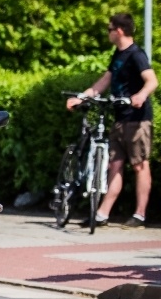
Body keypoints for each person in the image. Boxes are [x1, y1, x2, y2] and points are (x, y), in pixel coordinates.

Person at [66, 13, 158, 229]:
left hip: (137, 120)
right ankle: (101, 214)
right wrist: (81, 97)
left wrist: (141, 95)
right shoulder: (118, 54)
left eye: (109, 29)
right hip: (119, 119)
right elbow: (104, 82)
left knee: (140, 166)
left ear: (119, 30)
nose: (108, 33)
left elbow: (152, 80)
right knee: (114, 166)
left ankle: (140, 215)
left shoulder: (136, 54)